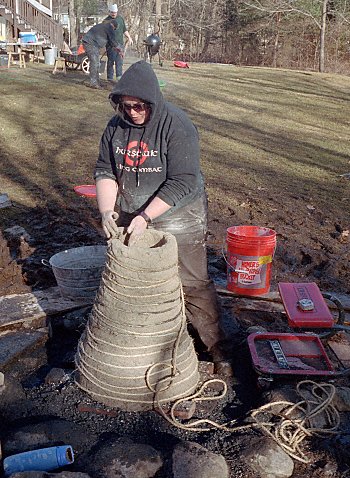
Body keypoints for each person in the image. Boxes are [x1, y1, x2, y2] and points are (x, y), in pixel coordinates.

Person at [94, 60, 231, 374]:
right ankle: (147, 346)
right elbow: (105, 170)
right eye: (125, 106)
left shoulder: (176, 125)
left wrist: (145, 216)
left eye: (139, 106)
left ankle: (218, 348)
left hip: (180, 210)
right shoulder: (115, 128)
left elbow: (183, 180)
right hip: (133, 208)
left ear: (152, 100)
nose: (132, 112)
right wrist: (106, 211)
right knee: (135, 279)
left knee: (192, 282)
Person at [82, 20, 124, 89]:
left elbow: (110, 42)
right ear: (114, 26)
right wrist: (120, 50)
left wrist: (117, 49)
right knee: (95, 63)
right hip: (90, 43)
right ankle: (93, 83)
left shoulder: (104, 26)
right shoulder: (109, 27)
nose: (114, 30)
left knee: (97, 63)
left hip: (90, 43)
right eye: (115, 29)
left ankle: (97, 81)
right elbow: (113, 41)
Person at [103, 4, 133, 82]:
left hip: (120, 44)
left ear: (117, 12)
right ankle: (110, 78)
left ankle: (119, 77)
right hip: (111, 46)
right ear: (109, 12)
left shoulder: (120, 19)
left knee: (119, 62)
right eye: (112, 12)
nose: (114, 14)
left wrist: (129, 37)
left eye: (115, 12)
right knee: (111, 61)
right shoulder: (106, 21)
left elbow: (124, 30)